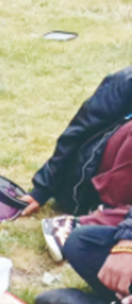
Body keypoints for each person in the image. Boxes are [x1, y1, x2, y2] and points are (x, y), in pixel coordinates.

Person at [18, 66, 132, 262]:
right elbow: (80, 129)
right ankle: (80, 223)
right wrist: (42, 190)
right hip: (91, 184)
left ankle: (111, 221)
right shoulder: (126, 80)